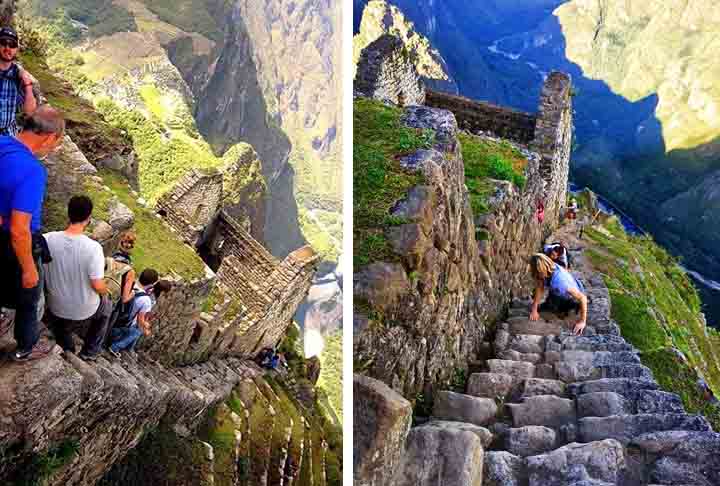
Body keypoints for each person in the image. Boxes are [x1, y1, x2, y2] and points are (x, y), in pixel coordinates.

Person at [0, 105, 64, 360]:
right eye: (55, 144)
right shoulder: (32, 171)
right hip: (11, 242)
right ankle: (26, 347)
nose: (53, 149)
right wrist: (28, 268)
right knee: (29, 298)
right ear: (50, 137)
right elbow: (19, 230)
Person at [43, 196, 112, 361]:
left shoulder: (47, 239)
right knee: (107, 307)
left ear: (68, 214)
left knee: (60, 322)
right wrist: (106, 292)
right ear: (88, 219)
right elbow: (97, 284)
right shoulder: (93, 248)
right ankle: (90, 351)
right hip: (84, 309)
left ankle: (67, 346)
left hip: (55, 306)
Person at [528, 253, 588, 335]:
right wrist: (534, 309)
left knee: (558, 311)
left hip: (571, 297)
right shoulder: (548, 269)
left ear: (542, 271)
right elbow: (540, 286)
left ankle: (567, 309)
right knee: (545, 307)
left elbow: (582, 298)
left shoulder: (560, 283)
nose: (536, 276)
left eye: (537, 274)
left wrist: (582, 321)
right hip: (558, 292)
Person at [108, 268, 159, 357]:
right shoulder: (146, 300)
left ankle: (127, 350)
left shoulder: (129, 285)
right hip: (119, 331)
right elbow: (140, 322)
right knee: (139, 330)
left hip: (111, 322)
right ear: (152, 284)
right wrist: (146, 328)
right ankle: (115, 347)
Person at [0, 27, 38, 136]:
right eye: (3, 43)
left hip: (8, 133)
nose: (7, 48)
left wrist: (27, 84)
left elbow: (29, 112)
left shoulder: (18, 75)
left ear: (16, 49)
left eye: (12, 44)